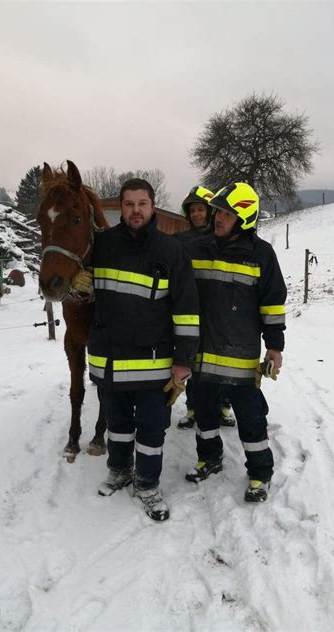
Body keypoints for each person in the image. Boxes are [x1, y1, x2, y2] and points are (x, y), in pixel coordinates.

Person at [86, 178, 200, 521]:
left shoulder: (170, 252)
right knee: (117, 423)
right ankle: (120, 469)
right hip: (110, 359)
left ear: (152, 206)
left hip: (153, 364)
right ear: (121, 208)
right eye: (128, 204)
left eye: (142, 204)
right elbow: (82, 289)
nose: (135, 210)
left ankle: (148, 484)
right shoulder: (102, 245)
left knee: (151, 429)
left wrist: (183, 362)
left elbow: (187, 311)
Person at [184, 182, 286, 503]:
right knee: (204, 410)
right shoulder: (197, 249)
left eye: (227, 213)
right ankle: (210, 458)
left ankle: (260, 473)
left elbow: (272, 304)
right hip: (202, 354)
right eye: (218, 211)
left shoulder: (262, 256)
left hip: (240, 359)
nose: (218, 218)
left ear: (243, 218)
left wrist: (274, 346)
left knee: (251, 416)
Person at [174, 186, 236, 430]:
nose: (197, 214)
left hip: (220, 311)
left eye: (201, 209)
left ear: (210, 212)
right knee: (193, 361)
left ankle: (224, 406)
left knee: (222, 362)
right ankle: (193, 408)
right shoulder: (181, 241)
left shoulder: (223, 238)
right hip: (193, 311)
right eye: (193, 210)